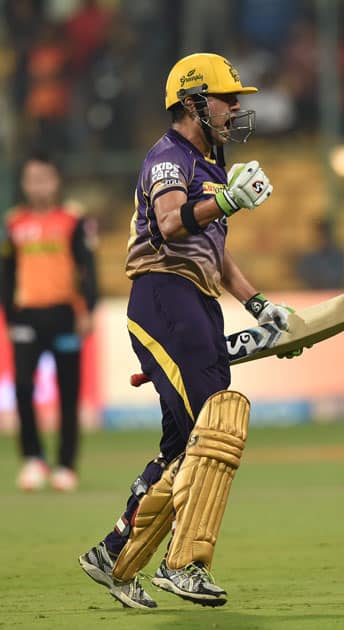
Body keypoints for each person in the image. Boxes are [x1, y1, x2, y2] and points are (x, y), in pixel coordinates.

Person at [78, 52, 293, 610]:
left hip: (191, 300)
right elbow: (172, 224)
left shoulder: (209, 163)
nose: (236, 108)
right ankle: (185, 563)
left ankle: (113, 555)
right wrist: (223, 199)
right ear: (194, 101)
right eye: (227, 98)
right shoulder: (169, 158)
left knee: (183, 446)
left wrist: (259, 304)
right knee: (217, 426)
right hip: (163, 294)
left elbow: (215, 256)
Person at [0, 151, 98, 492]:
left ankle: (65, 466)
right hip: (27, 316)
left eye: (45, 178)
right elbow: (7, 273)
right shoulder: (14, 223)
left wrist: (89, 309)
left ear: (55, 181)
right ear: (25, 184)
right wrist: (10, 316)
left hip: (64, 315)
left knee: (69, 394)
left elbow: (88, 268)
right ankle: (33, 459)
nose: (38, 186)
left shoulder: (72, 220)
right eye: (32, 180)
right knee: (24, 389)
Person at [296, 218, 344, 290]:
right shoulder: (307, 256)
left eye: (319, 235)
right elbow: (301, 277)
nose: (315, 237)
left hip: (332, 293)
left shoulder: (337, 255)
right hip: (311, 295)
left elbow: (337, 278)